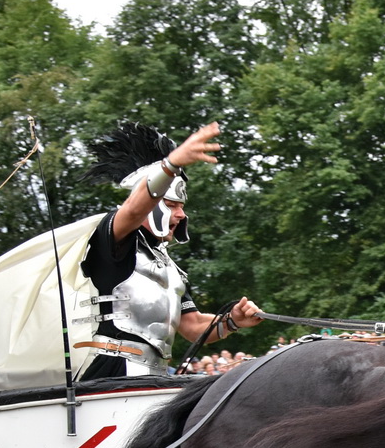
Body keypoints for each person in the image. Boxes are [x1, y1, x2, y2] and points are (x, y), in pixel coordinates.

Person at [80, 122, 265, 379]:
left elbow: (193, 326)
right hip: (115, 369)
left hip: (156, 372)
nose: (181, 214)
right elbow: (133, 211)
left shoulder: (168, 265)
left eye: (181, 206)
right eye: (171, 205)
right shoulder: (114, 241)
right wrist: (171, 164)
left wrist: (232, 320)